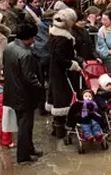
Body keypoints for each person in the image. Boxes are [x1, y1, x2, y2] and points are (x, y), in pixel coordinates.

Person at [2, 22, 44, 164]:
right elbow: (30, 78)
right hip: (24, 95)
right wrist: (40, 87)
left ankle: (29, 149)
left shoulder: (9, 48)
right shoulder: (25, 54)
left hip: (12, 92)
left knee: (24, 125)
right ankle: (23, 155)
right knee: (25, 127)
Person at [46, 8, 81, 138]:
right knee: (62, 101)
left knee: (56, 100)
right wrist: (72, 64)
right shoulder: (63, 38)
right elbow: (61, 58)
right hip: (63, 73)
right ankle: (60, 130)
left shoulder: (53, 34)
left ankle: (56, 128)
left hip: (55, 71)